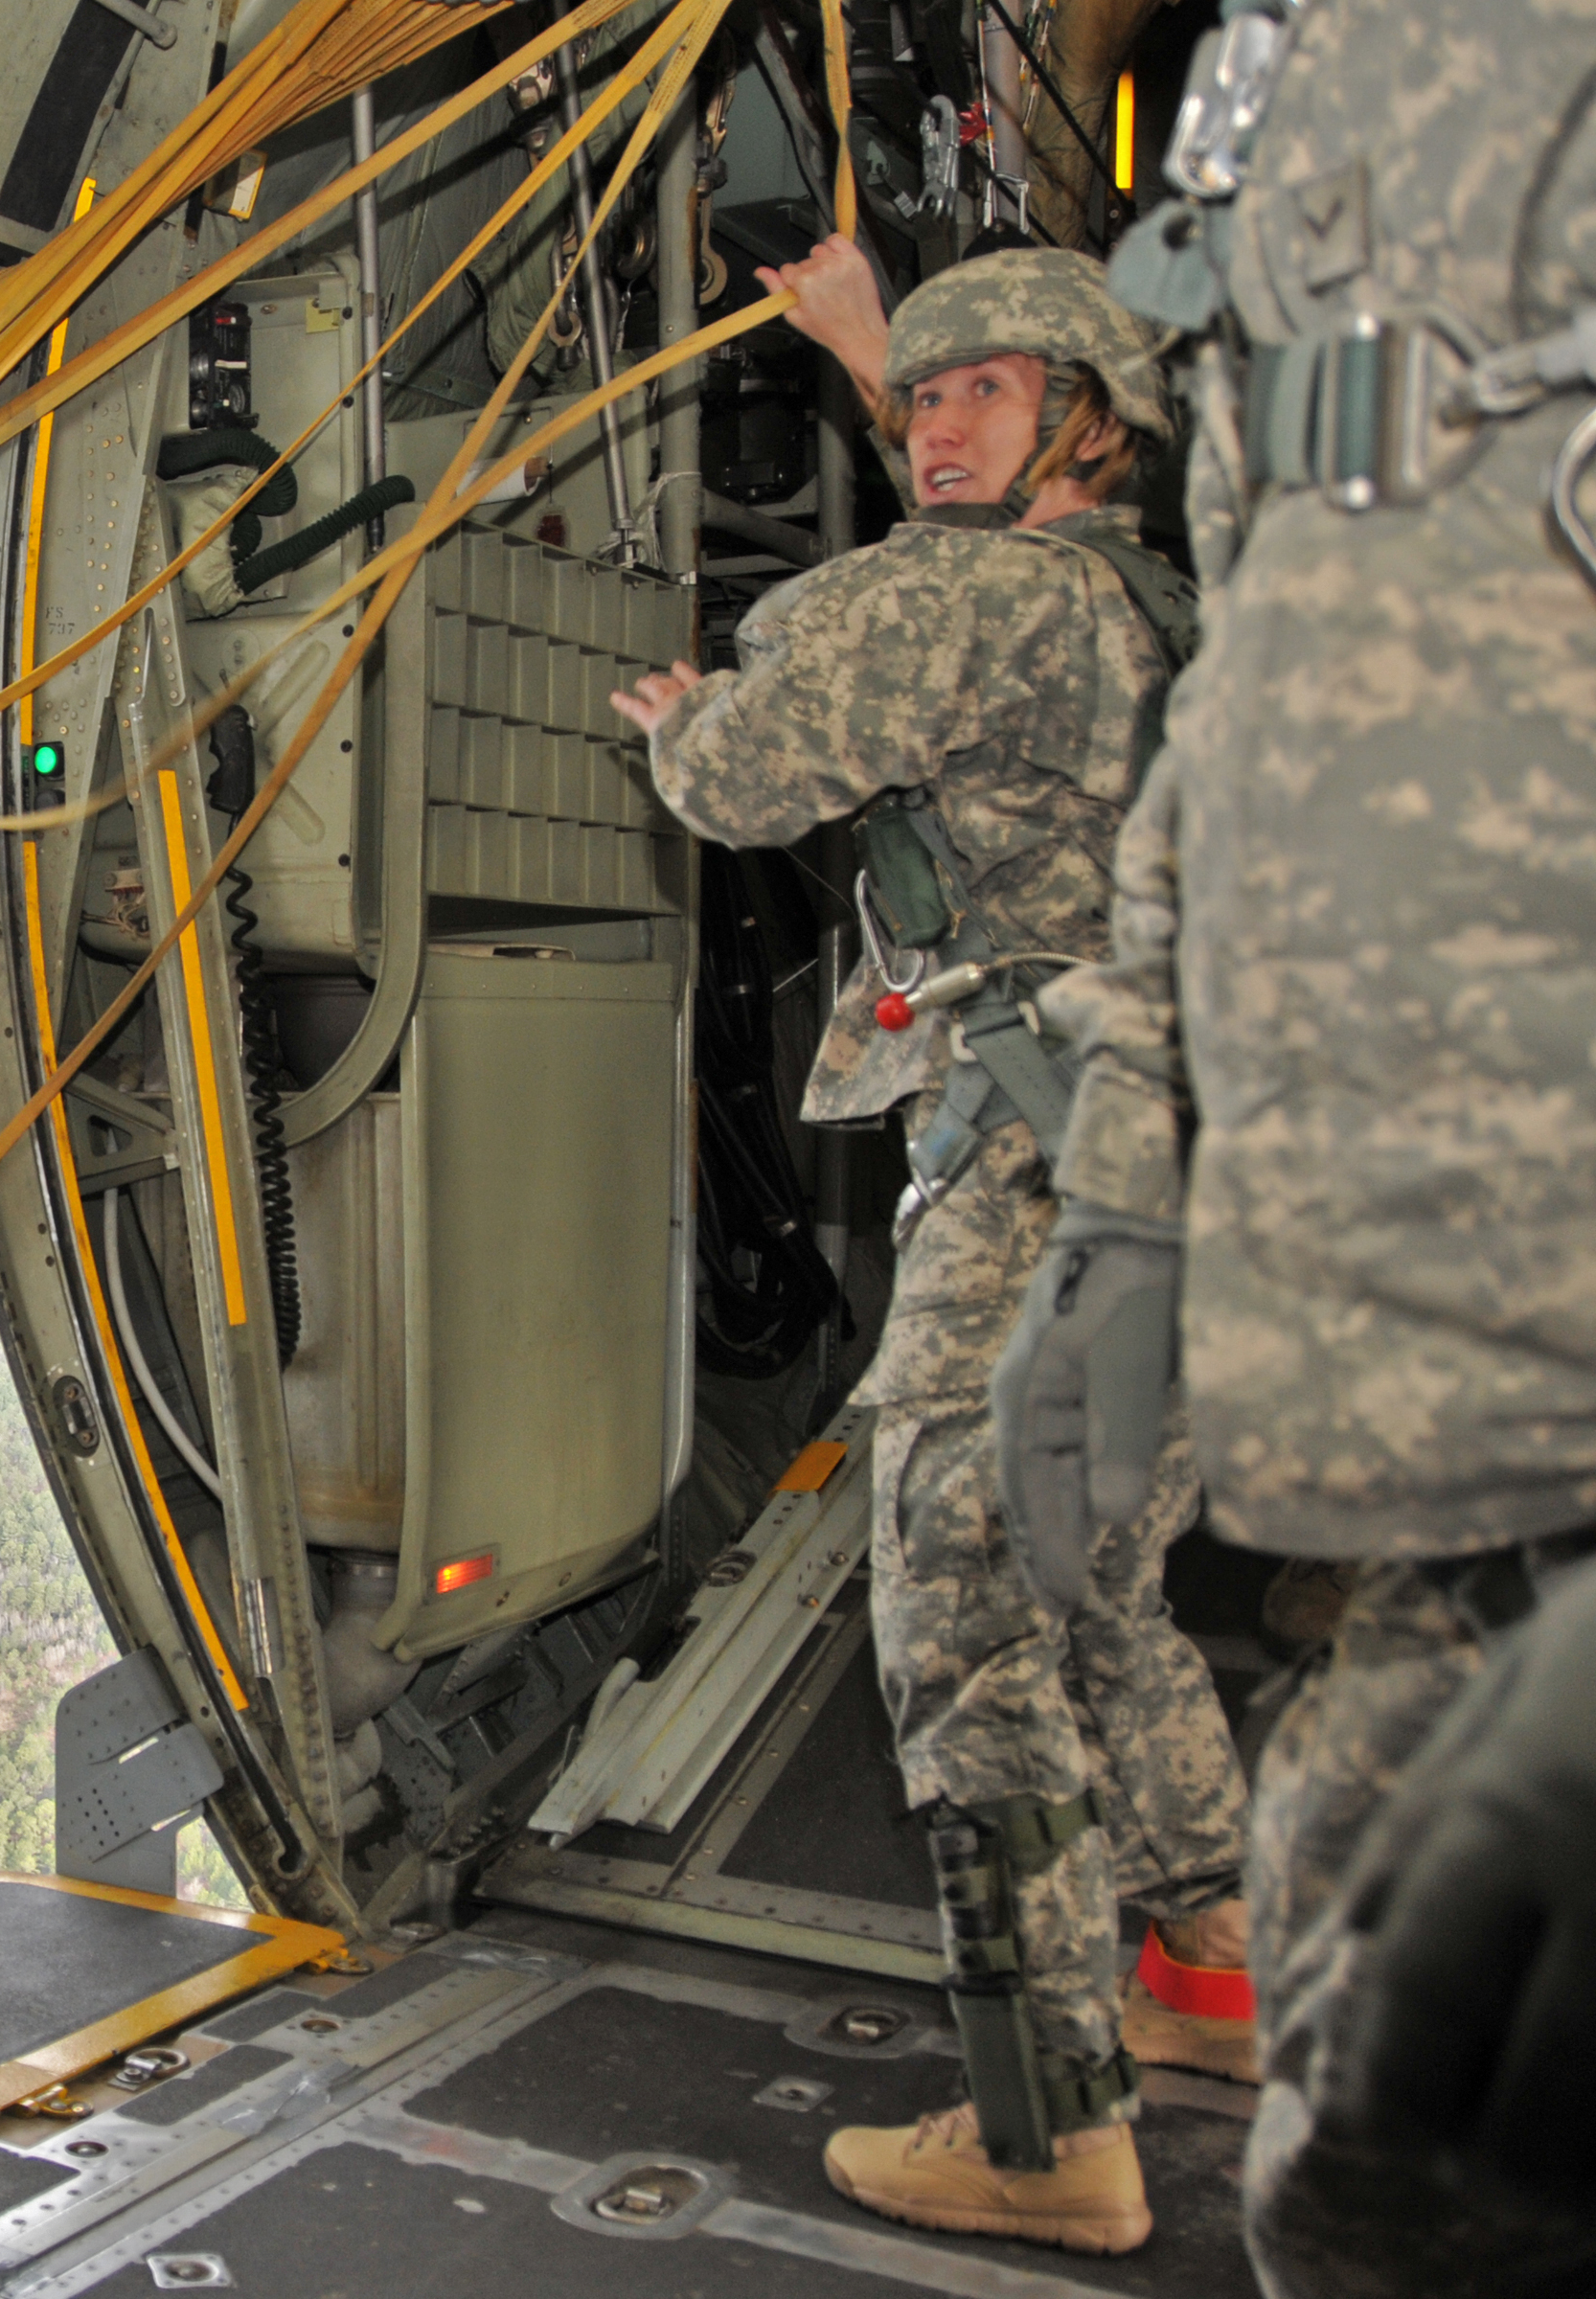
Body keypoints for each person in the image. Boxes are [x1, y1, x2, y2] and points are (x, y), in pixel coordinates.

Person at [988, 1, 1596, 2288]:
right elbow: (1250, 702)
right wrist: (1133, 1178)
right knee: (1376, 2200)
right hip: (1430, 1429)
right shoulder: (1302, 79)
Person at [611, 249, 1252, 2256]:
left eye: (986, 397)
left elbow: (757, 775)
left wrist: (693, 720)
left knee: (962, 1605)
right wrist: (889, 354)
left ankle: (1050, 2131)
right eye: (924, 401)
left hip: (1041, 1156)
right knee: (1107, 1578)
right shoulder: (1171, 609)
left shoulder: (979, 593)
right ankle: (1213, 1974)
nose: (938, 423)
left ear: (1087, 419)